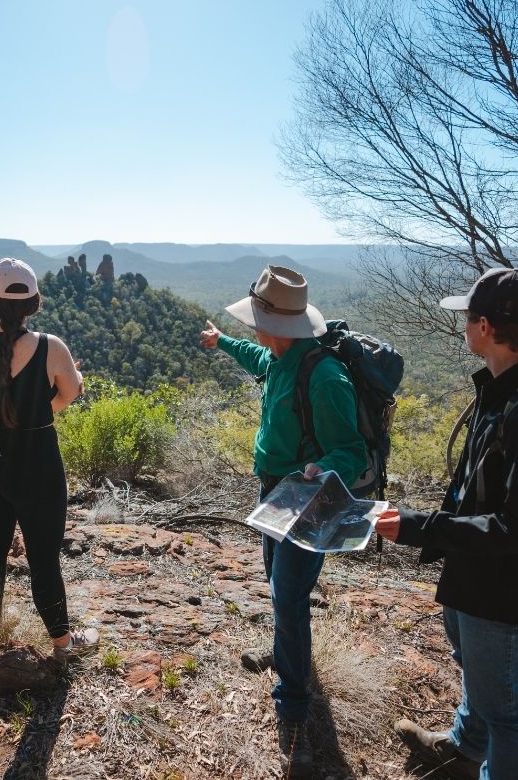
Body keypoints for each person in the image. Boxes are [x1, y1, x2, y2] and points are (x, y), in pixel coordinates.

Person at [375, 269, 518, 780]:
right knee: (481, 677)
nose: (464, 325)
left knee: (505, 712)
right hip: (478, 572)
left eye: (468, 316)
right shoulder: (508, 389)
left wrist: (421, 528)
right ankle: (464, 750)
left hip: (506, 588)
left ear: (485, 326)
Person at [200, 265, 367, 774]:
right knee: (275, 578)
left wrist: (324, 467)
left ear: (274, 324)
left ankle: (293, 710)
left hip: (309, 499)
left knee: (288, 595)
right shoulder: (278, 355)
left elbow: (352, 451)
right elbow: (254, 356)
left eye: (254, 322)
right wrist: (222, 342)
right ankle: (287, 653)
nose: (252, 329)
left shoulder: (325, 376)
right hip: (273, 491)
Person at [0, 258, 98, 657]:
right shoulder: (49, 346)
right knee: (43, 558)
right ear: (34, 303)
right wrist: (59, 392)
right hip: (35, 464)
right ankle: (63, 643)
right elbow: (68, 395)